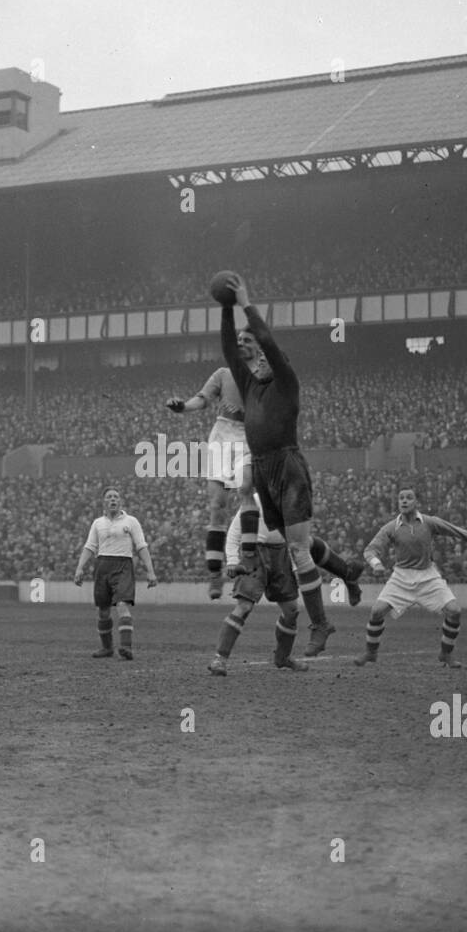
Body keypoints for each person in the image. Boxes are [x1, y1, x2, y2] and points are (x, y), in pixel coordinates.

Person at [215, 271, 362, 657]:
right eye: (258, 359)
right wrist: (226, 311)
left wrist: (246, 300)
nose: (259, 361)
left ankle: (321, 624)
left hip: (288, 465)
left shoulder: (286, 382)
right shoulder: (250, 386)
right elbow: (231, 350)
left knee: (297, 550)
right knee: (296, 544)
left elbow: (266, 339)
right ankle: (346, 572)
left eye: (265, 358)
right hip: (263, 468)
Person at [354, 488, 467, 667]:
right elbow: (370, 549)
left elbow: (457, 531)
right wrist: (376, 564)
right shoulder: (391, 527)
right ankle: (371, 653)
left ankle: (446, 654)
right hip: (401, 577)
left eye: (409, 498)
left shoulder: (429, 522)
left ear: (416, 502)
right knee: (377, 612)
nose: (404, 501)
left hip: (428, 576)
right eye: (401, 498)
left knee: (454, 611)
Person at [165, 365, 256, 599]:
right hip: (222, 434)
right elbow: (202, 398)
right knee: (217, 506)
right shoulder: (224, 374)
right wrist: (184, 407)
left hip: (250, 434)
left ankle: (248, 558)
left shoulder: (264, 373)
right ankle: (215, 574)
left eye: (248, 341)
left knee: (246, 487)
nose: (243, 346)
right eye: (240, 342)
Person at [208, 492, 308, 675]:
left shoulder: (290, 502)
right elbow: (234, 532)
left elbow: (293, 540)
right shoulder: (255, 500)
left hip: (281, 554)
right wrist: (231, 560)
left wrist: (295, 567)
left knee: (292, 610)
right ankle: (219, 659)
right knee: (244, 606)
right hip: (254, 553)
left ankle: (282, 657)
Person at [74, 487, 157, 659]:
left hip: (123, 565)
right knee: (103, 611)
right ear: (104, 502)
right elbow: (90, 546)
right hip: (102, 565)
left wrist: (151, 571)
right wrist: (80, 567)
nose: (113, 499)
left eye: (116, 497)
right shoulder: (98, 523)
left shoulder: (131, 521)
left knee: (122, 605)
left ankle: (126, 647)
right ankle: (107, 648)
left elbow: (141, 546)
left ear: (120, 501)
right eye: (109, 497)